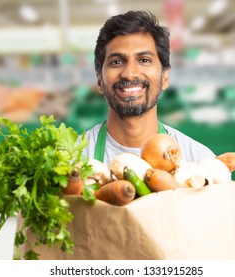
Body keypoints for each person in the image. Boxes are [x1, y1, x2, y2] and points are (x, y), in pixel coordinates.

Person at [83, 10, 215, 165]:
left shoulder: (199, 161)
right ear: (99, 80)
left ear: (165, 77)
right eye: (117, 62)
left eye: (144, 60)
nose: (130, 74)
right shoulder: (71, 160)